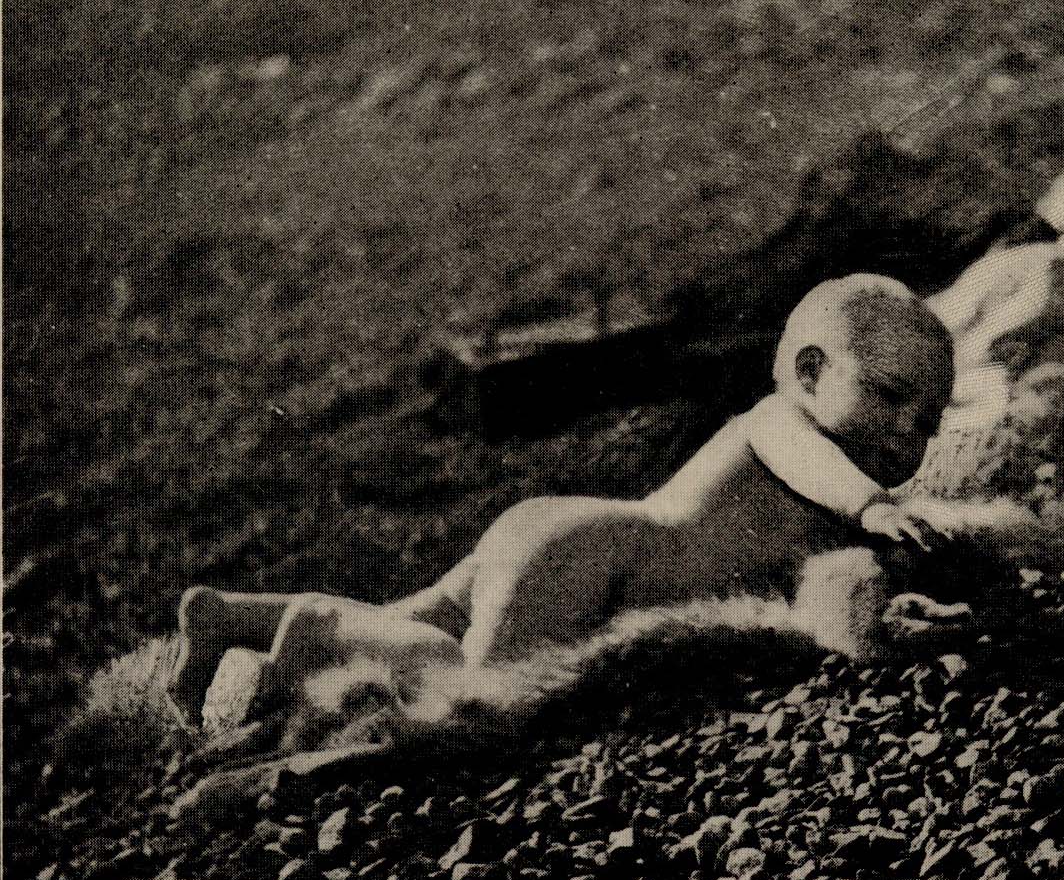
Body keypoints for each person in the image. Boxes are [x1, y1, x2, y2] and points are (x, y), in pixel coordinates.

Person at [168, 274, 1020, 751]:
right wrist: (871, 506)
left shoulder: (841, 474)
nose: (906, 432)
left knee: (408, 624)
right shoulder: (785, 428)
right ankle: (314, 627)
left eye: (927, 419)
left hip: (560, 536)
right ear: (805, 371)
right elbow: (810, 462)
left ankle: (238, 616)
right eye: (888, 397)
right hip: (596, 556)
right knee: (476, 700)